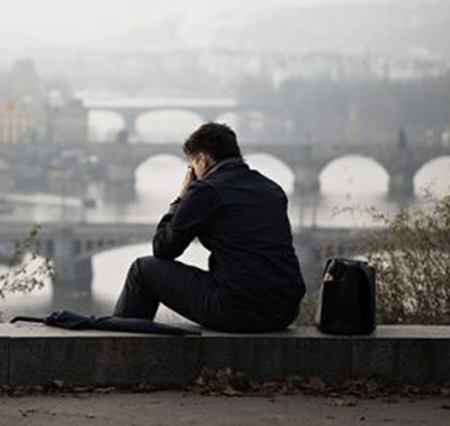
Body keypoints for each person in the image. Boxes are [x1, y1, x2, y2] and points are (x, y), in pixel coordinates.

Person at [112, 122, 306, 332]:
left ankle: (118, 349)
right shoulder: (272, 189)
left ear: (202, 160)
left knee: (142, 270)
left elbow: (163, 248)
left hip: (237, 309)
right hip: (285, 310)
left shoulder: (206, 190)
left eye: (192, 164)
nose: (192, 171)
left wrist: (180, 199)